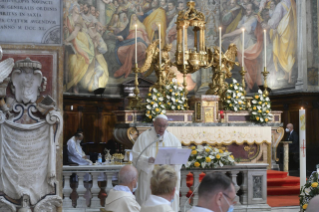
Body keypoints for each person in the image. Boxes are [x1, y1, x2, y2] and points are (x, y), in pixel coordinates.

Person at [132, 114, 181, 212]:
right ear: (154, 124)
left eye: (164, 126)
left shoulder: (173, 139)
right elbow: (135, 156)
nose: (162, 129)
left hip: (167, 179)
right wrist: (147, 160)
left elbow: (178, 161)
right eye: (159, 125)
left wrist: (173, 164)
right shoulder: (144, 137)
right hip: (150, 177)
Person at [262, 0, 297, 84]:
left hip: (283, 32)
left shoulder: (281, 5)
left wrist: (268, 25)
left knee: (283, 53)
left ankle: (287, 75)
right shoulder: (293, 3)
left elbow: (276, 18)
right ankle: (289, 77)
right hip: (292, 31)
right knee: (290, 53)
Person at [113, 13, 150, 78]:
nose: (134, 18)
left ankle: (133, 67)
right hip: (129, 42)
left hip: (140, 41)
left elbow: (145, 36)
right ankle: (133, 67)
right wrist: (121, 36)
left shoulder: (141, 26)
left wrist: (148, 43)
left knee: (138, 47)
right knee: (120, 50)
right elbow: (123, 34)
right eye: (132, 17)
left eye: (135, 16)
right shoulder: (129, 27)